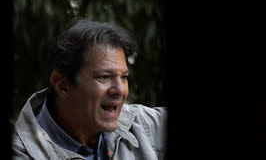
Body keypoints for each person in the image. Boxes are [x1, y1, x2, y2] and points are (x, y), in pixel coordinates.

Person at [12, 18, 167, 159]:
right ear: (62, 84)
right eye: (104, 77)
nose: (120, 90)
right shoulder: (22, 153)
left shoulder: (144, 125)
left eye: (124, 77)